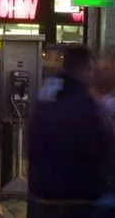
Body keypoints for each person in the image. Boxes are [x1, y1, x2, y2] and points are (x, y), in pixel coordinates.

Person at [28, 45, 114, 218]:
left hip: (43, 190)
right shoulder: (85, 103)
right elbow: (99, 145)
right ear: (85, 69)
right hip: (76, 193)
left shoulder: (47, 93)